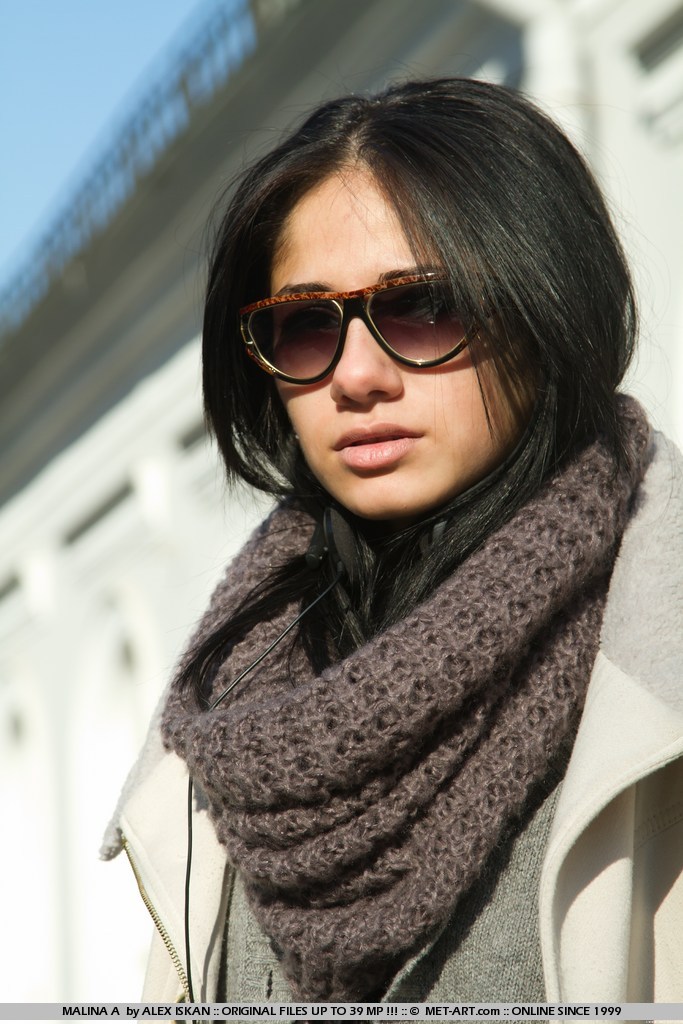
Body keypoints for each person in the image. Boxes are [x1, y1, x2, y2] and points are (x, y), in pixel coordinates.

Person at [102, 77, 683, 1004]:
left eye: (424, 307)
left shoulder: (654, 658)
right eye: (303, 326)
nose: (356, 376)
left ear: (544, 306)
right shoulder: (223, 718)